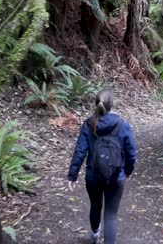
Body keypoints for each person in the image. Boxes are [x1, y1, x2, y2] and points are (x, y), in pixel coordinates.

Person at [67, 90, 137, 244]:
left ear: (95, 104)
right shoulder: (122, 124)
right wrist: (128, 171)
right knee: (111, 215)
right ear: (112, 105)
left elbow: (80, 151)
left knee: (95, 206)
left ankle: (95, 236)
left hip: (93, 177)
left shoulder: (88, 124)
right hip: (116, 176)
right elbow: (131, 152)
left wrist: (73, 175)